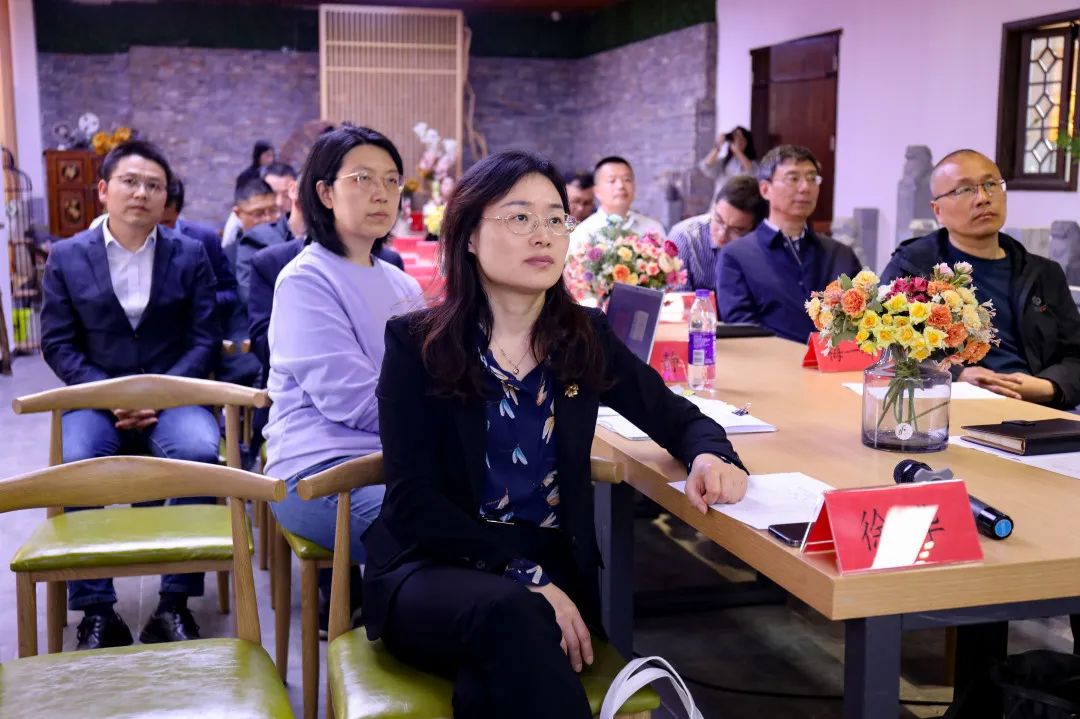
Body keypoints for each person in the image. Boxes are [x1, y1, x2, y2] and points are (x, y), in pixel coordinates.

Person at [364, 150, 749, 717]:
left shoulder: (582, 336)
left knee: (495, 670)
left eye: (555, 218)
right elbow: (413, 499)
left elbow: (675, 416)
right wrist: (523, 576)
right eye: (519, 217)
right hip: (435, 564)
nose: (542, 234)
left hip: (550, 574)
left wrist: (711, 456)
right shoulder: (418, 343)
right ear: (468, 236)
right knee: (510, 615)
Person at [39, 140, 221, 650]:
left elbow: (204, 339)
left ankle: (174, 605)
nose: (141, 193)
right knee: (76, 461)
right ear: (103, 190)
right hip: (96, 397)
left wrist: (159, 396)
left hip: (173, 395)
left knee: (199, 453)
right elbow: (58, 343)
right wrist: (110, 395)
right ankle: (97, 612)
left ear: (166, 198)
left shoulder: (190, 254)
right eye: (130, 181)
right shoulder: (67, 256)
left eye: (153, 185)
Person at [263, 126, 423, 585]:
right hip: (321, 474)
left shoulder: (403, 283)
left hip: (397, 464)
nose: (381, 193)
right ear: (325, 193)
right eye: (363, 178)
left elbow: (429, 378)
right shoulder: (306, 280)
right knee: (441, 533)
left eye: (391, 180)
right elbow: (352, 400)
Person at [882, 149, 1080, 410]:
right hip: (950, 408)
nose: (983, 198)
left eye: (991, 185)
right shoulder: (913, 268)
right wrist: (958, 376)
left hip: (1038, 409)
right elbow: (890, 346)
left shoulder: (1044, 273)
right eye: (964, 190)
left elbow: (1075, 355)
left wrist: (1048, 387)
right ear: (937, 210)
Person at [715, 145, 861, 343]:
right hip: (769, 361)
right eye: (793, 179)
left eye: (812, 178)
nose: (805, 188)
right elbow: (743, 331)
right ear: (765, 189)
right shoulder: (736, 256)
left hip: (836, 361)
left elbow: (860, 322)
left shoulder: (840, 254)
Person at [668, 174, 766, 294]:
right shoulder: (684, 237)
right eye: (719, 220)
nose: (722, 235)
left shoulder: (764, 246)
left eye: (736, 230)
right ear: (714, 207)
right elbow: (677, 300)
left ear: (754, 229)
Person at [162, 178, 238, 318]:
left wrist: (199, 302)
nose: (158, 229)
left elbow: (231, 292)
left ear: (177, 213)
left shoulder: (206, 240)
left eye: (166, 222)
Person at [568, 156, 665, 254]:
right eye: (612, 181)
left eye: (627, 179)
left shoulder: (654, 229)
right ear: (597, 191)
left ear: (634, 187)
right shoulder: (582, 233)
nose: (620, 186)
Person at [698, 126, 758, 200]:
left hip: (741, 202)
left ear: (747, 142)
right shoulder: (725, 162)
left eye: (742, 139)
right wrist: (718, 146)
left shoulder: (752, 163)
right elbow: (706, 166)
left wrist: (737, 151)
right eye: (735, 138)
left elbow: (752, 172)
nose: (738, 141)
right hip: (722, 202)